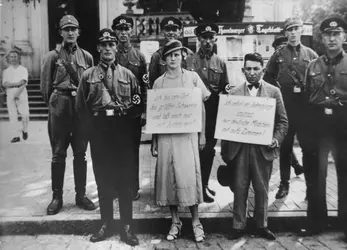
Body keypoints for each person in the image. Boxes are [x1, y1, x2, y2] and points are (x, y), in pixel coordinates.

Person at [76, 28, 142, 245]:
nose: (107, 49)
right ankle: (105, 223)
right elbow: (81, 109)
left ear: (116, 47)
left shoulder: (128, 75)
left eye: (111, 44)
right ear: (98, 48)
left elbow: (136, 106)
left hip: (122, 130)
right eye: (103, 45)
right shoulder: (88, 76)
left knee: (125, 180)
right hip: (100, 130)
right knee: (103, 178)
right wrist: (88, 135)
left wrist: (132, 137)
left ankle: (127, 226)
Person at [221, 53, 288, 240]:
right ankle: (238, 225)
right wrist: (226, 154)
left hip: (263, 149)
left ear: (263, 70)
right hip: (240, 149)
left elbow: (283, 121)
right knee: (240, 187)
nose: (252, 72)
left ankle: (261, 224)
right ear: (243, 71)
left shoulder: (274, 91)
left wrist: (276, 139)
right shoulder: (233, 93)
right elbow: (226, 123)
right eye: (248, 69)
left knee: (262, 188)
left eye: (256, 69)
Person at [151, 40, 210, 242]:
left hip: (187, 136)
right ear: (164, 59)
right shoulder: (159, 82)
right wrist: (154, 141)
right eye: (170, 55)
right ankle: (175, 220)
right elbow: (155, 114)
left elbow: (201, 108)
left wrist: (202, 134)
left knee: (189, 176)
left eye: (177, 54)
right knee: (169, 177)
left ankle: (195, 221)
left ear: (183, 56)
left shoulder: (192, 78)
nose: (173, 58)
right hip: (167, 137)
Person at [40, 15, 96, 215]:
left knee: (80, 154)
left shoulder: (87, 57)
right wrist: (56, 106)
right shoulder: (52, 57)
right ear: (61, 32)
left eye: (74, 29)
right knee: (58, 154)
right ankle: (57, 197)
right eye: (67, 29)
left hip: (80, 109)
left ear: (78, 32)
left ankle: (80, 195)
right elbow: (46, 89)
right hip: (60, 107)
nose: (70, 32)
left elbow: (90, 85)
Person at [264, 17, 318, 199]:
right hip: (285, 106)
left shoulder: (311, 54)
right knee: (285, 147)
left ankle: (311, 188)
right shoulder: (278, 55)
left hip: (305, 107)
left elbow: (319, 81)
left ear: (301, 30)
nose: (293, 33)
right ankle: (284, 185)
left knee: (308, 148)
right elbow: (267, 78)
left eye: (296, 29)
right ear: (285, 33)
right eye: (290, 30)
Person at [303, 15, 347, 237]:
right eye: (328, 35)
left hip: (344, 123)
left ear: (344, 36)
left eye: (336, 34)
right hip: (318, 124)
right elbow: (305, 99)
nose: (332, 39)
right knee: (316, 176)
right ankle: (316, 223)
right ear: (322, 38)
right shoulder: (313, 65)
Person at [186, 23, 230, 203]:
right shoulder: (188, 61)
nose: (207, 41)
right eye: (204, 37)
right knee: (192, 150)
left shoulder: (220, 62)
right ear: (198, 39)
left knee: (209, 150)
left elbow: (225, 89)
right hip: (192, 110)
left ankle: (203, 185)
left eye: (211, 37)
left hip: (212, 111)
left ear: (215, 39)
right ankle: (192, 187)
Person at [112, 15, 148, 200]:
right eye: (120, 29)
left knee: (133, 151)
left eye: (127, 29)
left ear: (131, 31)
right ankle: (117, 187)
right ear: (115, 32)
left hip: (133, 113)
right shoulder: (110, 53)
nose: (123, 33)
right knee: (115, 149)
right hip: (114, 112)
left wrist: (143, 110)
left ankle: (133, 188)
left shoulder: (139, 57)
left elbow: (144, 86)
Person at [271, 35, 304, 177]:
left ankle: (296, 166)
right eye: (278, 47)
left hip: (299, 106)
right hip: (280, 106)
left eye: (282, 46)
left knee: (288, 142)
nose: (280, 49)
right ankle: (293, 170)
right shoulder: (275, 61)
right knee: (284, 141)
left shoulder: (301, 57)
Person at [148, 16, 193, 88]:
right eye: (167, 29)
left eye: (174, 29)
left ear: (180, 31)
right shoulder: (156, 56)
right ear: (162, 32)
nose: (171, 32)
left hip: (184, 94)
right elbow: (152, 83)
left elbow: (192, 79)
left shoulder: (188, 53)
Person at [2, 49, 30, 143]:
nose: (13, 58)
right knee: (12, 114)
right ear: (9, 58)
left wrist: (17, 93)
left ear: (18, 58)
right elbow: (4, 84)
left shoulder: (23, 69)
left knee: (25, 114)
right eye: (11, 57)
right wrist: (16, 83)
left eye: (15, 56)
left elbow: (23, 83)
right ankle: (15, 136)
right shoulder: (6, 71)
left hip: (21, 92)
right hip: (10, 93)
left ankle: (24, 130)